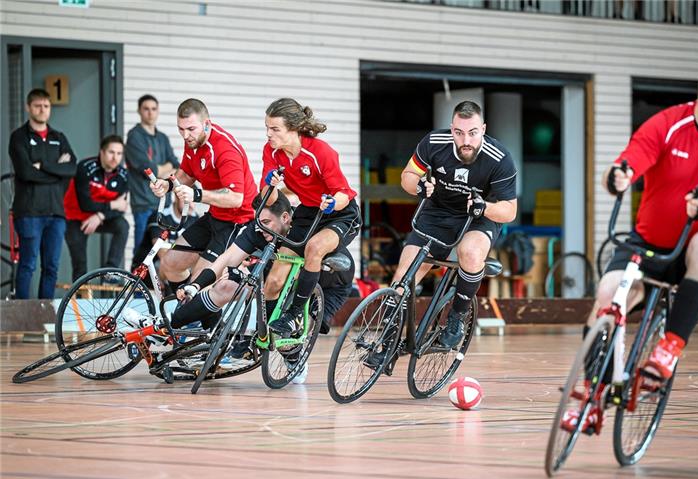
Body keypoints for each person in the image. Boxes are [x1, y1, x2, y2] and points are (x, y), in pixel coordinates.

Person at [563, 60, 698, 433]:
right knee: (608, 294)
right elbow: (632, 160)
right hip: (652, 244)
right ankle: (595, 393)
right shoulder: (668, 123)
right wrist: (618, 176)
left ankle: (668, 348)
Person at [366, 101, 518, 366]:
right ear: (451, 129)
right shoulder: (434, 142)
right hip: (437, 212)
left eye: (472, 132)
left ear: (483, 129)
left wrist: (485, 207)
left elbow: (509, 211)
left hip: (479, 215)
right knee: (404, 277)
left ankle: (456, 320)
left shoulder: (500, 158)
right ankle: (387, 345)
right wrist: (419, 185)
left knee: (469, 254)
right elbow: (407, 176)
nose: (465, 140)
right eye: (459, 132)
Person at [168, 190, 354, 340]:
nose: (261, 228)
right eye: (258, 222)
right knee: (227, 285)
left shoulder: (305, 227)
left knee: (300, 321)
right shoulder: (260, 228)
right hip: (279, 270)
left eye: (266, 222)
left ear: (285, 218)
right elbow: (225, 259)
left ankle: (292, 355)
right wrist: (195, 285)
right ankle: (172, 324)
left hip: (330, 282)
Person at [260, 98, 360, 338]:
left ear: (293, 129)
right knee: (274, 279)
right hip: (308, 211)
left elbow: (343, 194)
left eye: (275, 129)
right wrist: (271, 185)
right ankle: (269, 335)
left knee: (314, 248)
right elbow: (269, 199)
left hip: (338, 212)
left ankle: (293, 314)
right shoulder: (271, 151)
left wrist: (333, 202)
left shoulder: (320, 152)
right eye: (266, 128)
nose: (268, 134)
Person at [148, 98, 257, 294]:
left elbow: (235, 197)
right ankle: (190, 312)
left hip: (238, 221)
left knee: (198, 281)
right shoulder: (192, 142)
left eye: (191, 129)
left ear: (207, 124)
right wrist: (167, 184)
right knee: (169, 264)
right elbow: (187, 174)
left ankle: (199, 318)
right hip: (215, 216)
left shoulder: (225, 149)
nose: (185, 135)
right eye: (181, 129)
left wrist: (196, 194)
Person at [8, 88, 77, 298]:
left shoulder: (59, 137)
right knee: (28, 265)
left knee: (51, 268)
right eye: (37, 105)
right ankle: (22, 316)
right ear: (28, 107)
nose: (42, 109)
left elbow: (72, 168)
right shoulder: (18, 137)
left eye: (46, 106)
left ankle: (44, 314)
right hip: (29, 213)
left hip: (56, 213)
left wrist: (43, 165)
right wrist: (56, 170)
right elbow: (26, 172)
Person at [63, 135, 130, 281]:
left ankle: (110, 270)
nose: (115, 158)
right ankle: (80, 301)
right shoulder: (85, 168)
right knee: (80, 265)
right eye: (111, 152)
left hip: (99, 218)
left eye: (119, 154)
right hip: (74, 217)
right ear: (102, 152)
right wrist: (112, 204)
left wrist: (100, 216)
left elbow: (121, 208)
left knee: (122, 225)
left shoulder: (123, 176)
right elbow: (85, 204)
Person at [125, 94, 180, 257]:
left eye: (153, 109)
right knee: (143, 250)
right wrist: (164, 168)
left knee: (163, 247)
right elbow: (146, 169)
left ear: (158, 111)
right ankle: (136, 281)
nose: (150, 113)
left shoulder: (162, 138)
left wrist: (160, 168)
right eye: (146, 109)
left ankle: (157, 282)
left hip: (164, 203)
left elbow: (176, 164)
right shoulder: (134, 136)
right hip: (143, 203)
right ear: (139, 111)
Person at [129, 193, 199, 288]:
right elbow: (162, 253)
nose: (191, 205)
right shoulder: (160, 217)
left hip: (175, 267)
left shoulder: (195, 219)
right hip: (149, 269)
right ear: (176, 198)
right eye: (187, 201)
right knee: (168, 262)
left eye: (194, 201)